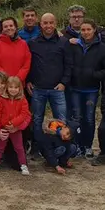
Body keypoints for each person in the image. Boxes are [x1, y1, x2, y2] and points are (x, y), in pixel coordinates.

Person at [67, 19, 105, 158]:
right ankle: (77, 146)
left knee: (88, 118)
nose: (86, 32)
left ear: (94, 30)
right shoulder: (74, 45)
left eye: (88, 29)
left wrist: (94, 75)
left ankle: (87, 146)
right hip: (75, 88)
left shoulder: (102, 48)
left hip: (91, 90)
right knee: (76, 118)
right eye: (83, 30)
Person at [27, 13, 71, 156]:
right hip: (38, 89)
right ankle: (37, 147)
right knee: (37, 120)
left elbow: (69, 64)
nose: (48, 26)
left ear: (55, 23)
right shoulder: (33, 43)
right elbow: (29, 64)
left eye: (51, 23)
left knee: (61, 120)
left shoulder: (63, 42)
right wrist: (28, 80)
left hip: (57, 89)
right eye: (45, 23)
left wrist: (64, 82)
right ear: (40, 24)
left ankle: (62, 148)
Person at [0, 76, 31, 175]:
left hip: (15, 129)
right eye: (11, 87)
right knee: (0, 147)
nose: (13, 89)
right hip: (4, 128)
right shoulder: (1, 99)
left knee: (19, 148)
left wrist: (14, 124)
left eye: (16, 87)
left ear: (20, 88)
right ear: (7, 88)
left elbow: (24, 114)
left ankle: (23, 165)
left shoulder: (23, 100)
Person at [0, 17, 31, 85]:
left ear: (15, 27)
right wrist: (6, 78)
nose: (8, 28)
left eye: (11, 25)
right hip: (2, 84)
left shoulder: (23, 44)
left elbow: (26, 64)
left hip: (18, 84)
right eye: (5, 26)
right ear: (2, 29)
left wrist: (18, 78)